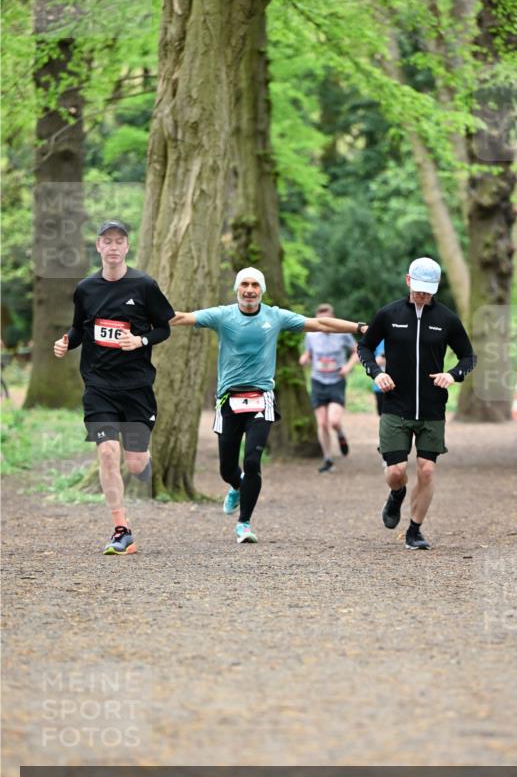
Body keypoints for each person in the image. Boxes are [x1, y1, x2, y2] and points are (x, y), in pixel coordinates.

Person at [171, 268, 365, 543]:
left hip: (262, 398)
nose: (249, 289)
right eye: (244, 284)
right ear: (237, 288)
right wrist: (144, 315)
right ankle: (236, 487)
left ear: (262, 290)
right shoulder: (223, 315)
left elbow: (320, 324)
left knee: (252, 460)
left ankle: (244, 524)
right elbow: (181, 317)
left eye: (254, 285)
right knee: (227, 468)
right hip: (228, 400)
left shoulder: (275, 316)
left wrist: (359, 327)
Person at [53, 221, 175, 554]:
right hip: (98, 385)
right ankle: (121, 529)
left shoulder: (145, 285)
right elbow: (80, 329)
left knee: (135, 464)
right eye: (107, 241)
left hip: (136, 387)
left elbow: (165, 327)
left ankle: (144, 463)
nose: (113, 247)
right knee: (108, 452)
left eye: (118, 241)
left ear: (126, 247)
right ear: (98, 246)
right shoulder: (86, 288)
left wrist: (140, 339)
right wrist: (66, 342)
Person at [358, 257, 475, 551]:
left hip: (433, 408)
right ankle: (396, 494)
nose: (422, 294)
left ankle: (414, 530)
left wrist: (452, 374)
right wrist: (377, 372)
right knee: (397, 471)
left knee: (427, 469)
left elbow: (468, 357)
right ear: (408, 280)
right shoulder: (389, 314)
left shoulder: (447, 319)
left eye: (429, 290)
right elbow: (365, 347)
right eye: (418, 287)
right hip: (396, 405)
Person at [299, 303, 357, 473]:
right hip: (318, 381)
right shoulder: (310, 335)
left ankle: (340, 434)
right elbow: (308, 353)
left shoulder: (342, 333)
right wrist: (304, 358)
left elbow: (357, 351)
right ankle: (328, 459)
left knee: (334, 421)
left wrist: (348, 367)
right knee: (322, 423)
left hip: (336, 380)